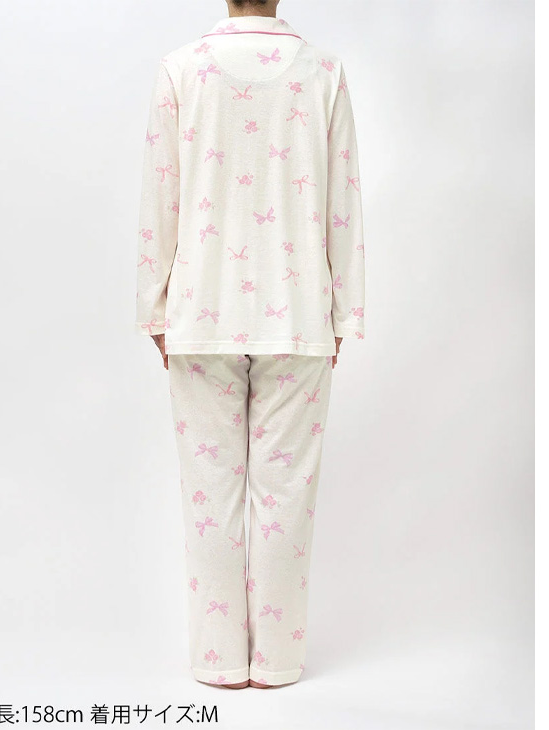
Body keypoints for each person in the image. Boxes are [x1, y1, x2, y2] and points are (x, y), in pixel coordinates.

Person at [135, 0, 365, 688]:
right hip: (299, 313)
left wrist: (155, 308)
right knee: (286, 494)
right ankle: (278, 661)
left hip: (200, 311)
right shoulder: (324, 72)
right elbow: (344, 201)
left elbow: (160, 195)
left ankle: (218, 659)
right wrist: (344, 312)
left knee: (209, 494)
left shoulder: (182, 70)